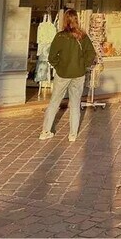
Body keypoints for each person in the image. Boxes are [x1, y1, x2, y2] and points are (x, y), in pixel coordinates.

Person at [39, 9, 96, 142]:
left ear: (65, 20)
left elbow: (51, 56)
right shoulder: (83, 36)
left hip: (63, 74)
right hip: (78, 74)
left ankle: (45, 131)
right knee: (75, 104)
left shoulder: (60, 37)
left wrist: (59, 67)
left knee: (54, 102)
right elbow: (91, 54)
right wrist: (83, 66)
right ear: (77, 19)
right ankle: (72, 134)